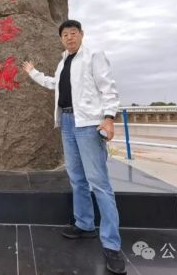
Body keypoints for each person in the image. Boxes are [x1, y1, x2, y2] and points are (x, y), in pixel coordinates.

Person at [22, 19, 126, 274]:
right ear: (61, 39)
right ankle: (85, 224)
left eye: (73, 33)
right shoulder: (63, 62)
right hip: (67, 122)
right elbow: (54, 85)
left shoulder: (93, 56)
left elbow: (108, 88)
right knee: (77, 178)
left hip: (88, 124)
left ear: (81, 34)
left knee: (99, 182)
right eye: (65, 34)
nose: (69, 37)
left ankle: (112, 245)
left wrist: (109, 118)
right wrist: (33, 72)